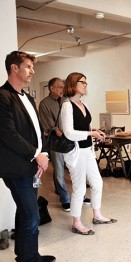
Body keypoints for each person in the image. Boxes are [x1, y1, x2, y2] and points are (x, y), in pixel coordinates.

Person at [0, 51, 56, 261]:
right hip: (16, 167)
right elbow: (8, 134)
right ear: (14, 68)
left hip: (32, 165)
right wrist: (36, 154)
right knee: (32, 215)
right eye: (28, 67)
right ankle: (29, 258)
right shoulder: (2, 97)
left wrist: (43, 154)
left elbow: (36, 130)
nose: (33, 71)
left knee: (25, 211)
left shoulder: (28, 98)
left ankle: (26, 255)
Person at [61, 72, 116, 235]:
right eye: (82, 82)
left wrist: (94, 131)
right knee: (79, 188)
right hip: (75, 152)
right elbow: (69, 133)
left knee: (97, 183)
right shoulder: (67, 105)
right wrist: (90, 134)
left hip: (88, 150)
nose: (85, 85)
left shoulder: (83, 104)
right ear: (72, 84)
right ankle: (76, 222)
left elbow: (86, 128)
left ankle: (97, 215)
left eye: (86, 82)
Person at [39, 77, 71, 211]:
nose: (62, 89)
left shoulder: (66, 101)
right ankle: (65, 199)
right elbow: (48, 125)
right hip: (56, 141)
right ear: (52, 88)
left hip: (69, 138)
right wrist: (58, 130)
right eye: (60, 87)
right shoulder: (44, 104)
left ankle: (67, 192)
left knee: (72, 168)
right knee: (59, 170)